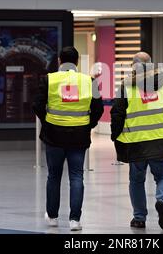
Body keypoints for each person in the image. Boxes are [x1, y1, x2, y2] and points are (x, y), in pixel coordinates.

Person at [111, 52, 163, 230]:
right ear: (151, 64)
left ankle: (139, 218)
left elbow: (117, 115)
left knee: (136, 181)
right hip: (161, 141)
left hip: (136, 143)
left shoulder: (127, 87)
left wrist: (116, 137)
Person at [33, 46, 104, 231]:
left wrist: (48, 122)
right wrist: (88, 125)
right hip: (79, 136)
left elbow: (37, 105)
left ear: (59, 61)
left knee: (54, 176)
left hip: (54, 135)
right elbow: (99, 109)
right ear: (77, 62)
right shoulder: (90, 81)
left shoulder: (49, 79)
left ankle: (53, 217)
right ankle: (75, 220)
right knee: (77, 176)